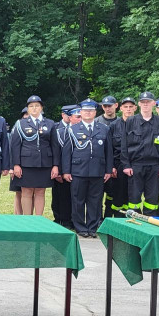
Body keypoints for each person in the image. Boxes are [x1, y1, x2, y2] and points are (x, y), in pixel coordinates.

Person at [62, 100, 113, 237]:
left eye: (91, 110)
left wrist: (108, 170)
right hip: (78, 171)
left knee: (95, 201)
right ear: (81, 113)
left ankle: (92, 227)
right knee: (78, 200)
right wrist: (66, 171)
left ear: (95, 112)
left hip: (98, 171)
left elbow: (109, 152)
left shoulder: (103, 129)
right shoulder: (72, 129)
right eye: (85, 111)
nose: (88, 113)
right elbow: (67, 152)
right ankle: (80, 227)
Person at [121, 92, 159, 216]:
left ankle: (150, 225)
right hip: (135, 166)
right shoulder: (131, 120)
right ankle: (134, 225)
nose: (146, 104)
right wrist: (126, 165)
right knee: (134, 200)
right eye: (143, 102)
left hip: (154, 166)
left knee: (152, 200)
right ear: (139, 104)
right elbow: (124, 145)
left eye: (148, 102)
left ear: (154, 103)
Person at [10, 95, 59, 216]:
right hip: (26, 163)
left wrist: (55, 165)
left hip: (44, 163)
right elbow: (15, 146)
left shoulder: (50, 123)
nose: (34, 108)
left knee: (40, 191)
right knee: (26, 191)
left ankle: (38, 219)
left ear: (42, 107)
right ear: (27, 109)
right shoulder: (20, 124)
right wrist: (16, 165)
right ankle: (27, 220)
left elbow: (55, 146)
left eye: (37, 106)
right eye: (31, 106)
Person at [51, 105, 79, 228]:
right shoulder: (56, 128)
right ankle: (59, 218)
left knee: (73, 197)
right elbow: (56, 152)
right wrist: (59, 169)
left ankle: (71, 220)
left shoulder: (79, 128)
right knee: (59, 197)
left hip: (76, 169)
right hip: (61, 170)